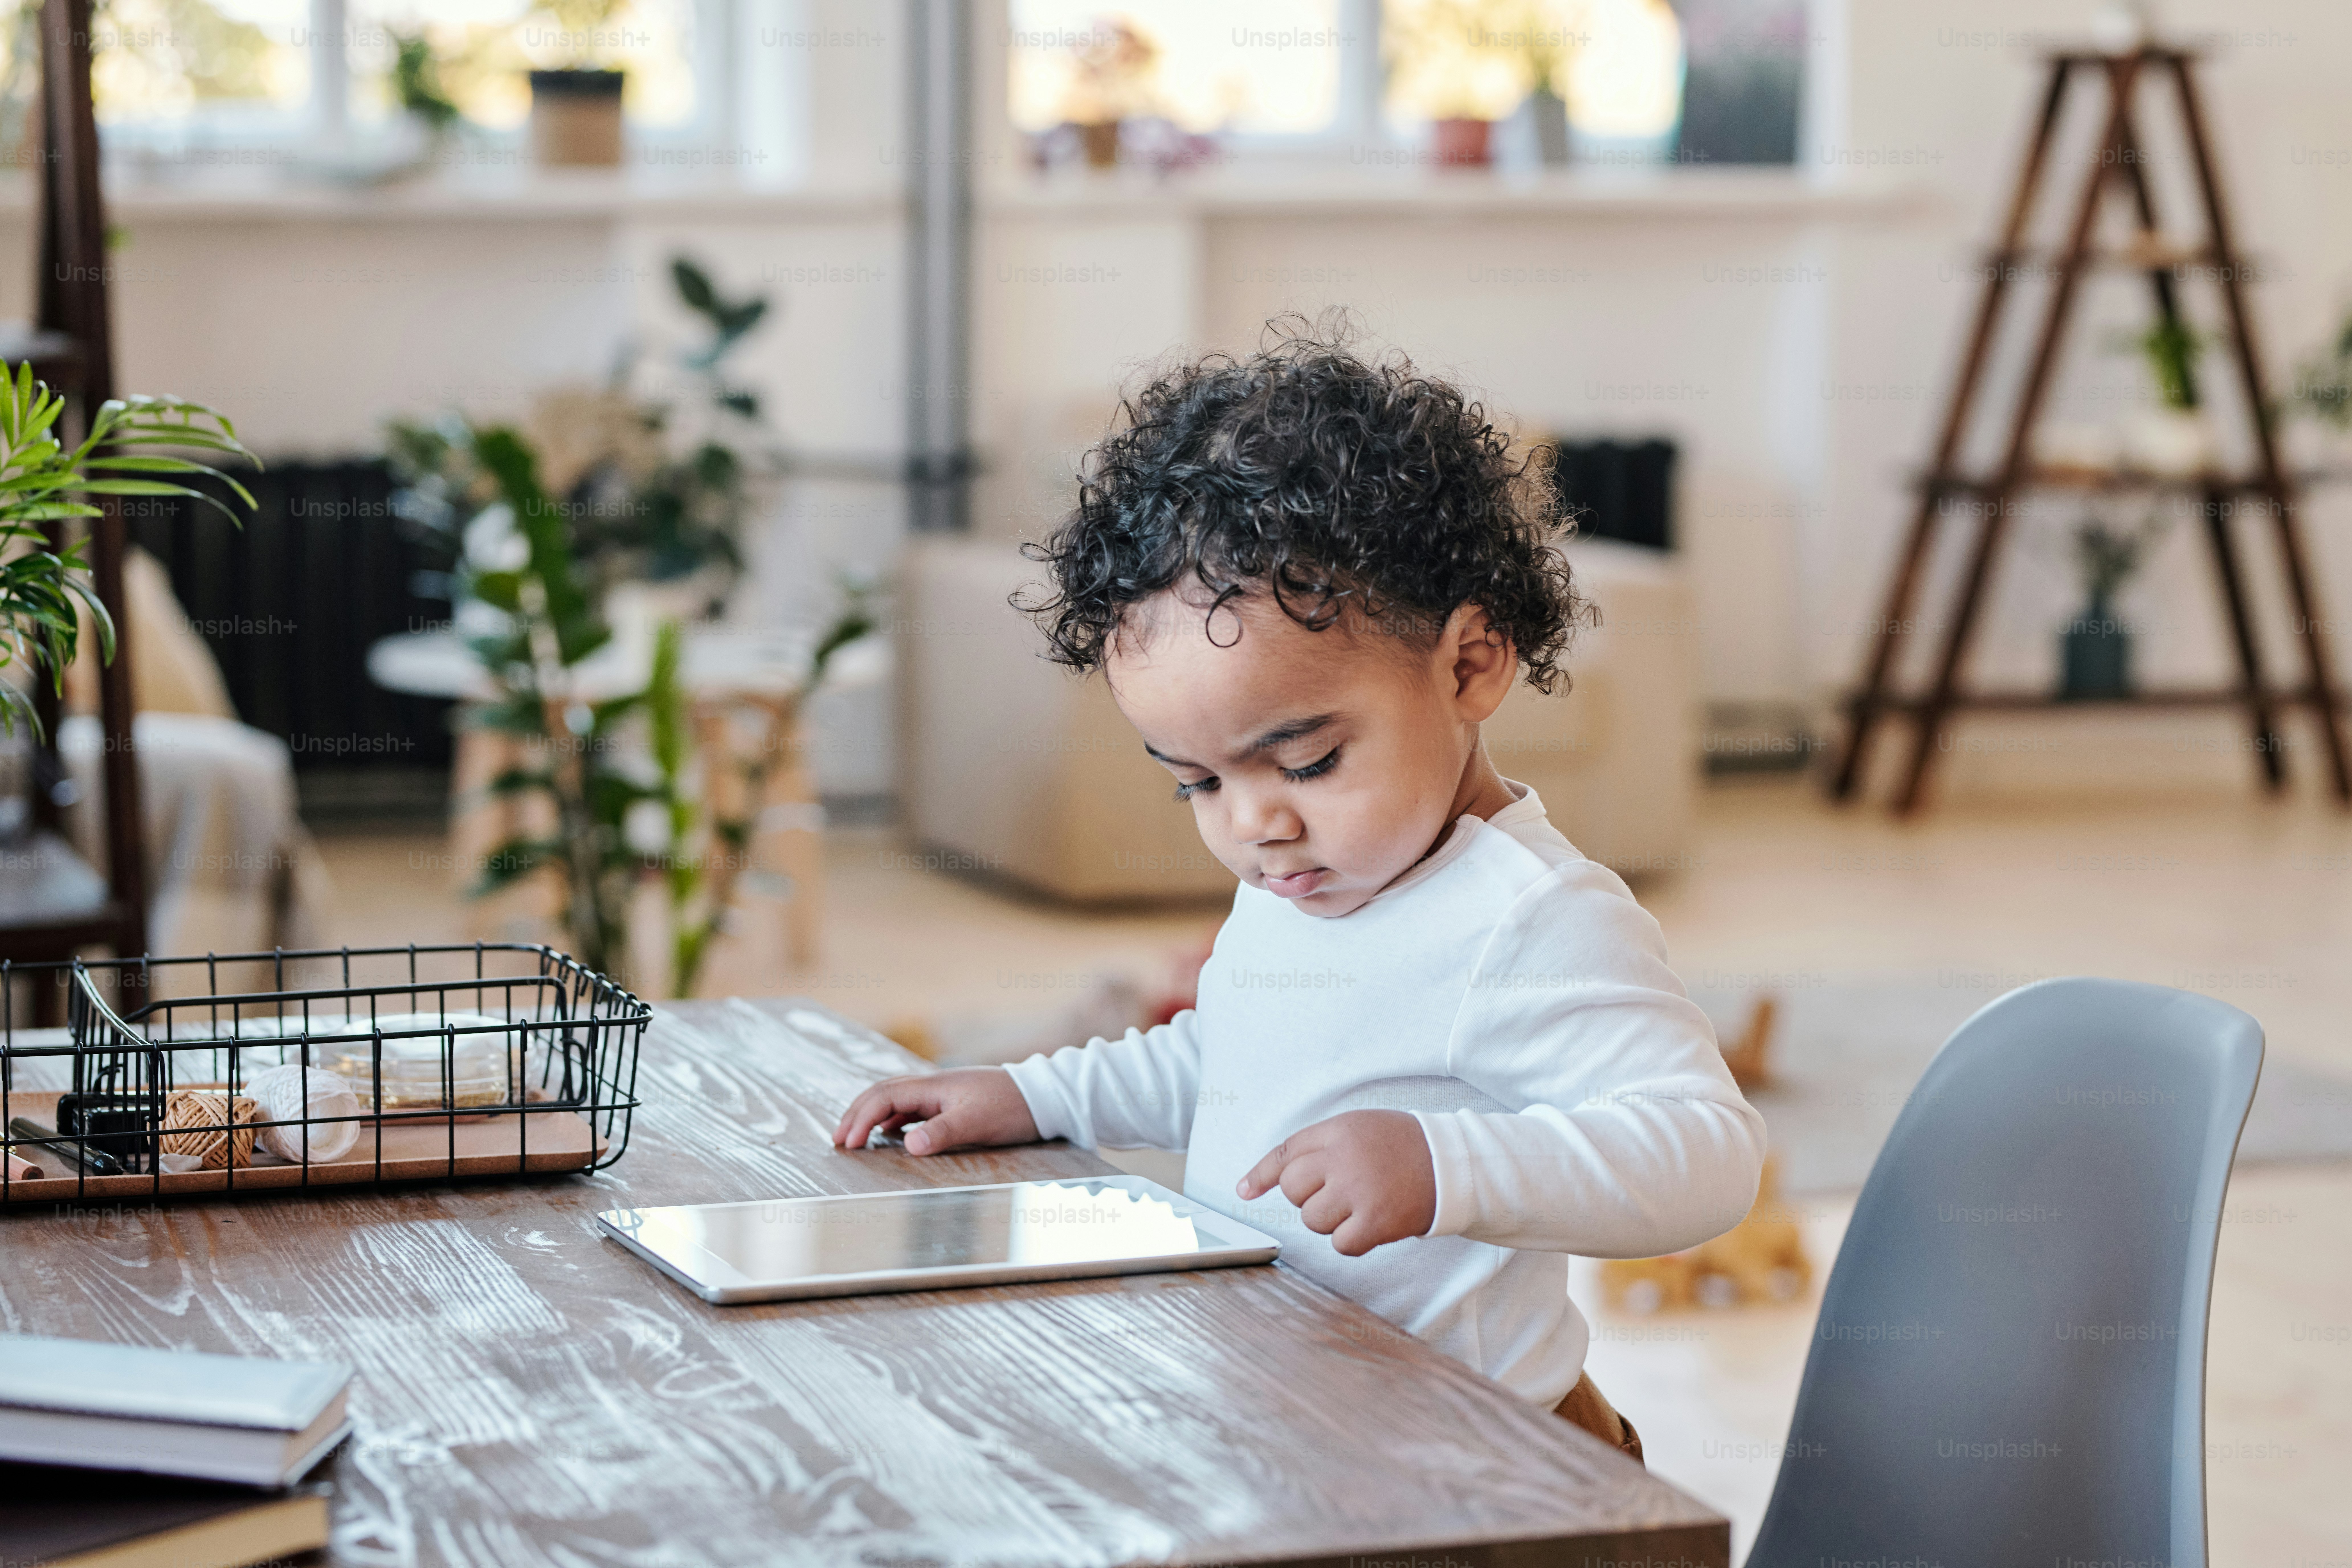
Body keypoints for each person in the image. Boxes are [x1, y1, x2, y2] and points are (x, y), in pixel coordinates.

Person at [835, 321, 1765, 1459]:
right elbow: (1234, 1058)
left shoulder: (1532, 917)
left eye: (1309, 759)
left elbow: (1706, 1153)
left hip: (1492, 1465)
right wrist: (1035, 1097)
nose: (1254, 824)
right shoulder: (1304, 877)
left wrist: (1444, 1167)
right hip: (1306, 1423)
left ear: (1472, 664)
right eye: (1197, 783)